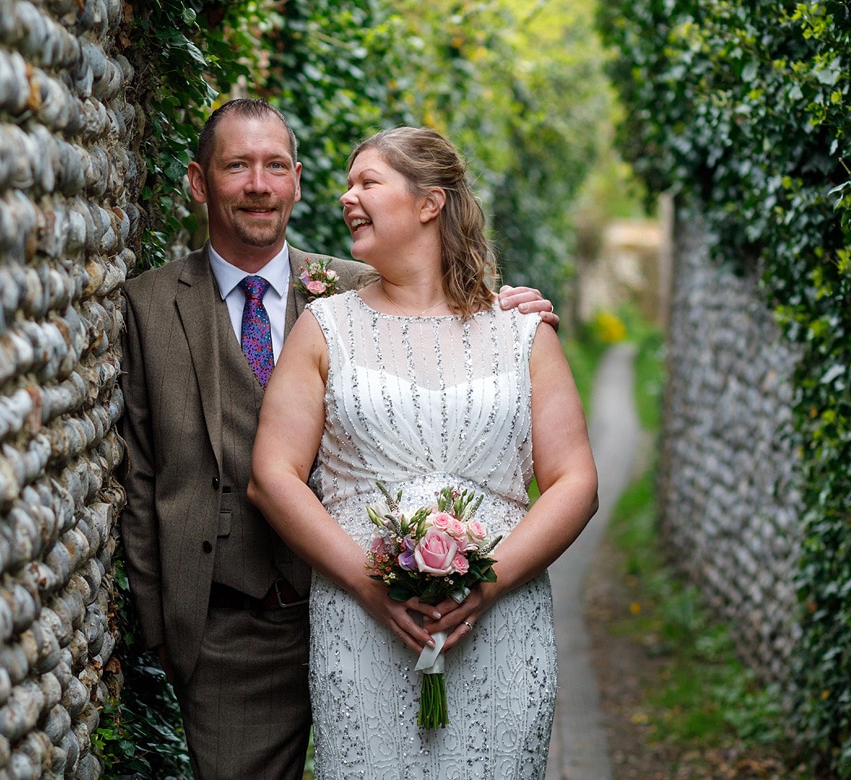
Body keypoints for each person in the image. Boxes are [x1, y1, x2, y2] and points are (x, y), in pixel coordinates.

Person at [116, 101, 561, 779]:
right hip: (240, 628)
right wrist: (166, 623)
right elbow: (143, 474)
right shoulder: (149, 306)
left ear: (295, 180)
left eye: (274, 167)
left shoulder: (362, 284)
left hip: (376, 610)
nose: (259, 184)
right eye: (237, 166)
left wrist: (518, 309)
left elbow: (447, 307)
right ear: (200, 181)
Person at [248, 126, 599, 778]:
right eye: (349, 184)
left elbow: (575, 479)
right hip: (361, 625)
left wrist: (487, 581)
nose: (347, 197)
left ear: (429, 203)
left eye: (367, 182)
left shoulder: (522, 330)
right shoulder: (325, 328)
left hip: (502, 627)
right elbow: (273, 476)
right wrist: (366, 583)